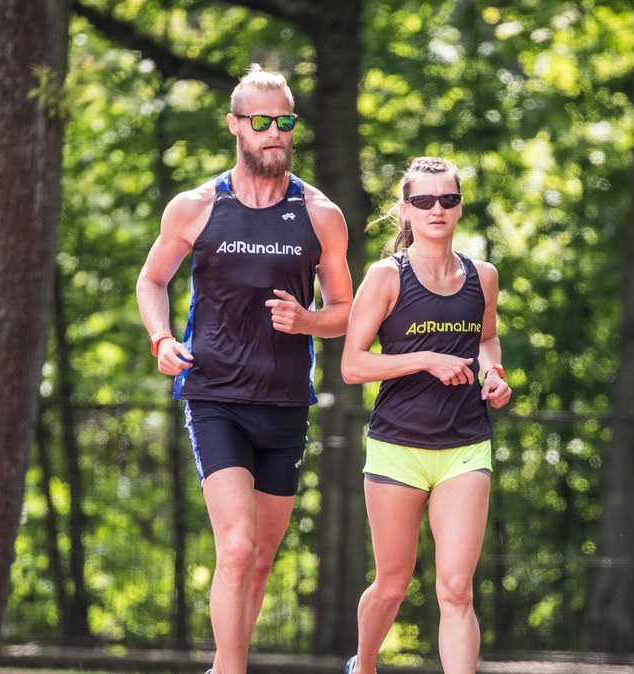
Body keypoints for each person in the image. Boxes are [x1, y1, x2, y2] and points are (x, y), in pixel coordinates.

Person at [135, 64, 353, 674]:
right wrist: (160, 339)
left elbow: (345, 311)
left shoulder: (320, 214)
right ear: (234, 126)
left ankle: (224, 663)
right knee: (234, 546)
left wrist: (309, 322)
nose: (275, 132)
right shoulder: (197, 207)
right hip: (215, 396)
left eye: (284, 120)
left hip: (284, 402)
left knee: (260, 557)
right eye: (261, 121)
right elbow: (152, 279)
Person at [340, 156, 512, 674]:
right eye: (424, 200)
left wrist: (494, 374)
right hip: (398, 448)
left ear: (459, 207)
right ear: (406, 209)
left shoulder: (483, 276)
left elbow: (486, 341)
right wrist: (425, 360)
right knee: (392, 584)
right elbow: (352, 365)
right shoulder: (386, 277)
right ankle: (363, 666)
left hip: (465, 446)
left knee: (457, 589)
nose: (437, 209)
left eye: (448, 199)